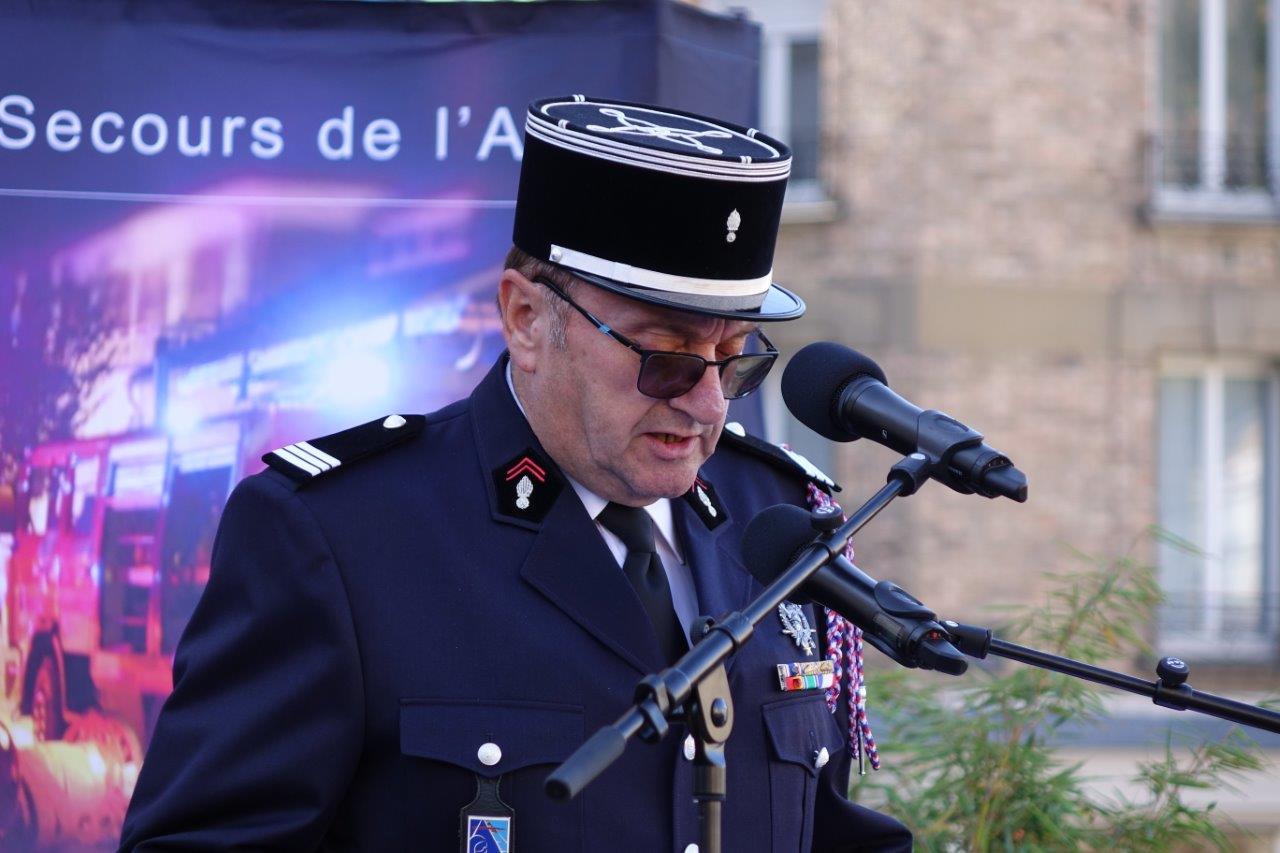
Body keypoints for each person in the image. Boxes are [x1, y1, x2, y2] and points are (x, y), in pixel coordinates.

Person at [119, 96, 912, 852]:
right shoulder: (341, 537)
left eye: (735, 359)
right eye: (666, 357)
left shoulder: (774, 515)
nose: (708, 405)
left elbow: (821, 825)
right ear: (527, 319)